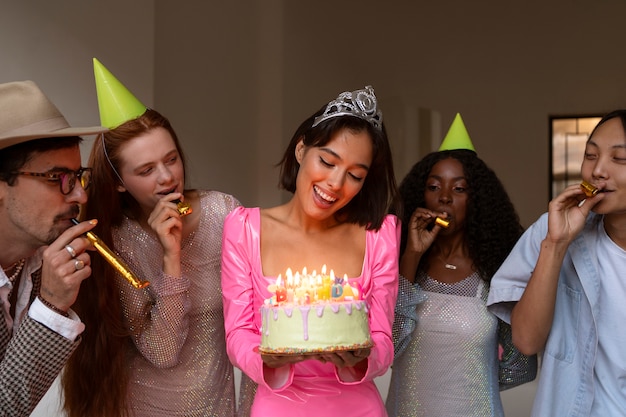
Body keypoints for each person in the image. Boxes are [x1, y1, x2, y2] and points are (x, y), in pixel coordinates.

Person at [62, 59, 254, 417]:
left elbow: (257, 322)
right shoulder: (120, 243)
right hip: (146, 406)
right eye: (147, 170)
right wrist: (171, 258)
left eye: (171, 159)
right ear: (120, 182)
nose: (167, 177)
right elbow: (163, 353)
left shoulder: (224, 213)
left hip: (219, 406)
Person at [221, 85, 401, 417]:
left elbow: (382, 338)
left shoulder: (379, 235)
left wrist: (363, 360)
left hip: (358, 407)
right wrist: (266, 357)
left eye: (355, 175)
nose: (335, 183)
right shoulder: (244, 228)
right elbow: (238, 332)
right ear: (302, 149)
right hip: (278, 406)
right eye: (327, 161)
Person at [386, 114, 537, 417]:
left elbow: (521, 366)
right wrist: (412, 255)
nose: (444, 197)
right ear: (420, 195)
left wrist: (474, 383)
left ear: (477, 200)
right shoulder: (398, 263)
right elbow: (387, 346)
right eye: (434, 186)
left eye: (459, 189)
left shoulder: (498, 273)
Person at [487, 109, 626, 416]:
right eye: (590, 155)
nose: (598, 170)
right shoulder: (552, 229)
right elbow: (525, 340)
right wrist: (556, 244)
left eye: (620, 159)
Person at [0, 80, 105, 416]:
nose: (80, 196)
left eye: (78, 176)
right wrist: (51, 306)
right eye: (57, 178)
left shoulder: (35, 259)